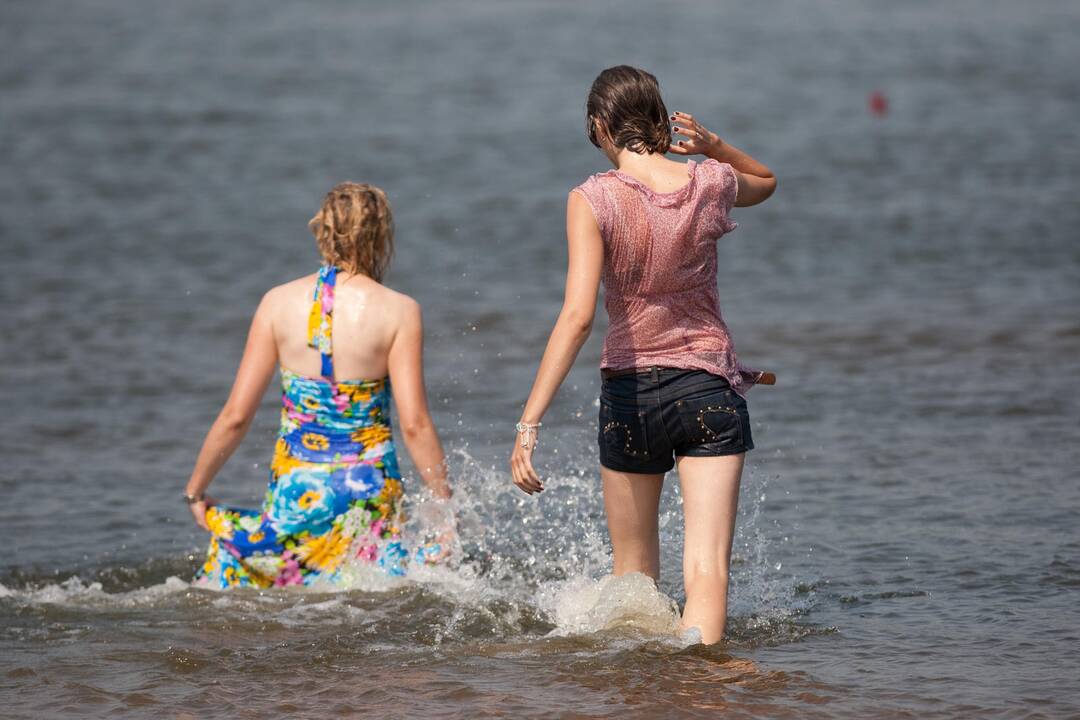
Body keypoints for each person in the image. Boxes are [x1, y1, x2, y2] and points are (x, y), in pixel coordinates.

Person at [509, 66, 777, 643]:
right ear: (659, 119)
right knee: (708, 573)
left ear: (600, 126)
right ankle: (704, 686)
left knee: (633, 580)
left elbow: (578, 317)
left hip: (633, 396)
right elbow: (767, 181)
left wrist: (529, 422)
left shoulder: (592, 198)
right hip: (708, 389)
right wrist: (715, 146)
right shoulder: (709, 181)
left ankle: (643, 692)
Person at [186, 182, 452, 588]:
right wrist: (443, 508)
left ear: (322, 230)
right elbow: (414, 424)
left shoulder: (276, 303)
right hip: (368, 489)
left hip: (299, 489)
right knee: (371, 599)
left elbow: (236, 416)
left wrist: (196, 491)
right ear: (382, 235)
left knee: (295, 594)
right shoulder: (400, 311)